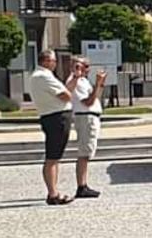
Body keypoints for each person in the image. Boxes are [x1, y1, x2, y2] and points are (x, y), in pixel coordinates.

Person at [24, 50, 75, 205]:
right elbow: (65, 95)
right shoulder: (43, 76)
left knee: (55, 157)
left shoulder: (38, 76)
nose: (55, 64)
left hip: (52, 116)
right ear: (46, 61)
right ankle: (52, 194)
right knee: (52, 157)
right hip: (56, 117)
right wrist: (67, 91)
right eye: (53, 61)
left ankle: (54, 191)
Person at [69, 56, 106, 199]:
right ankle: (81, 185)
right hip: (86, 116)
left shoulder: (83, 81)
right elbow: (88, 102)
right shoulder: (75, 82)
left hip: (91, 116)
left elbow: (96, 97)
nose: (87, 69)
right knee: (84, 152)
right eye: (84, 66)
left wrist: (100, 84)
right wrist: (97, 84)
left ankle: (83, 184)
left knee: (87, 151)